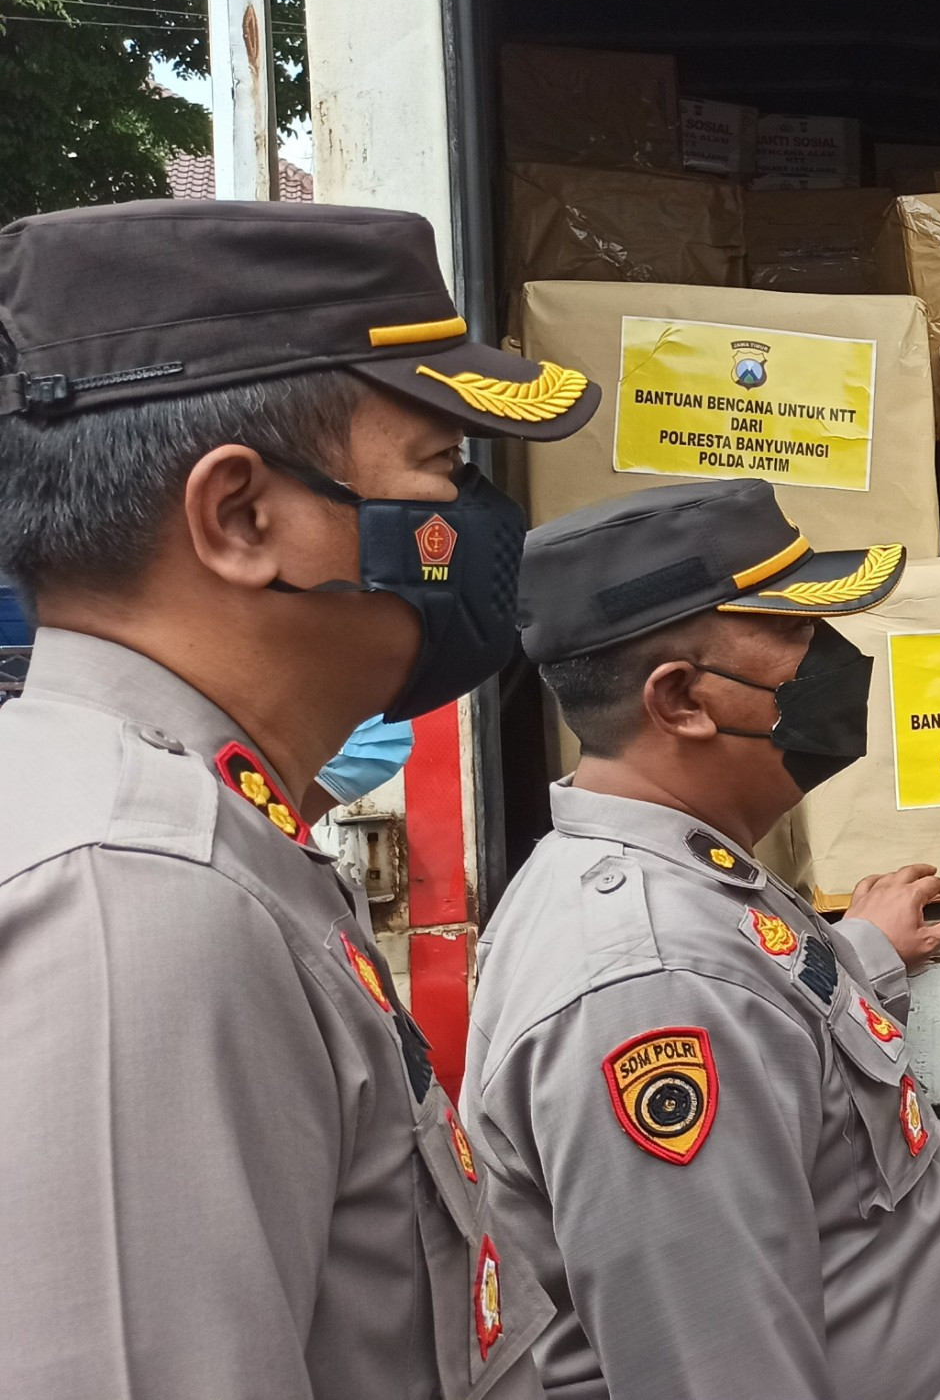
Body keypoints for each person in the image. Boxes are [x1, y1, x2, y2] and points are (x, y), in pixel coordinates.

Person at [0, 199, 603, 1397]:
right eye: (440, 468)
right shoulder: (136, 903)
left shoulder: (208, 832)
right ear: (240, 516)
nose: (476, 520)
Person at [463, 477, 940, 1400]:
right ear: (682, 700)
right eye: (792, 631)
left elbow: (769, 1029)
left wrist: (858, 952)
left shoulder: (688, 888)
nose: (830, 654)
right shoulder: (651, 987)